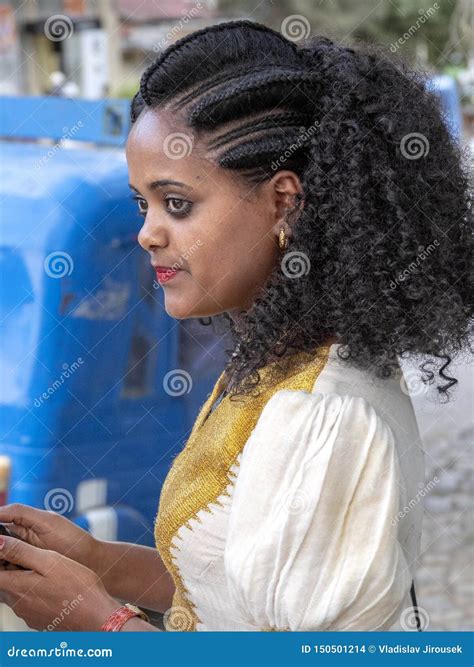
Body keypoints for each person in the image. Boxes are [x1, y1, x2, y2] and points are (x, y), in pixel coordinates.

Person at [0, 19, 472, 632]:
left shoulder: (321, 418)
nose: (147, 232)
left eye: (178, 203)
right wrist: (94, 559)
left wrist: (100, 622)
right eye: (143, 204)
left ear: (282, 201)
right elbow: (235, 590)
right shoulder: (272, 368)